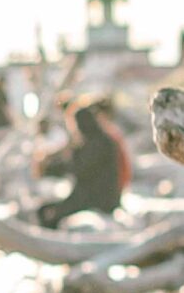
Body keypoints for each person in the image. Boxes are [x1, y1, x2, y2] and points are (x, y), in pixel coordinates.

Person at [35, 96, 130, 226]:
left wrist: (70, 153)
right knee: (44, 209)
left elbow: (78, 169)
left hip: (99, 199)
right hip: (92, 195)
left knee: (49, 214)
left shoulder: (99, 143)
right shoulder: (96, 140)